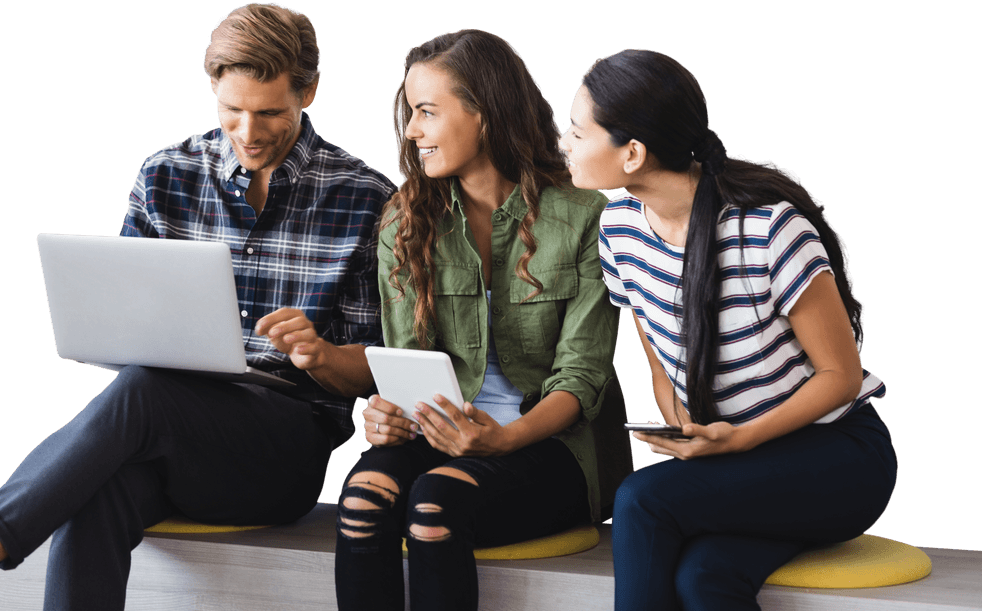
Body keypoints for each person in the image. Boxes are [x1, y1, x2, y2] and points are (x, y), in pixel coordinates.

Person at [0, 5, 395, 610]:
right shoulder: (166, 176)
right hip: (166, 428)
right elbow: (129, 333)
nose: (248, 130)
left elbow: (377, 367)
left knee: (145, 393)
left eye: (269, 112)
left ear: (309, 90)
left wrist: (318, 355)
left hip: (282, 448)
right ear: (212, 87)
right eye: (231, 109)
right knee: (98, 488)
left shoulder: (367, 199)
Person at [557, 49, 897, 610]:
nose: (563, 143)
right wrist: (685, 428)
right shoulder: (619, 230)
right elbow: (661, 362)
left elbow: (842, 376)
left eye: (576, 130)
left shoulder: (768, 229)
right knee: (705, 578)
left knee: (641, 498)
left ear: (633, 153)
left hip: (839, 458)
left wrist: (737, 439)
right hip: (740, 466)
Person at [333, 30, 633, 611]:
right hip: (439, 434)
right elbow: (407, 363)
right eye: (409, 114)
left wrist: (502, 439)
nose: (410, 131)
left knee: (433, 507)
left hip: (550, 445)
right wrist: (389, 416)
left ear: (485, 114)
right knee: (363, 501)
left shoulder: (585, 213)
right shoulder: (405, 223)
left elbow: (583, 375)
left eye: (426, 113)